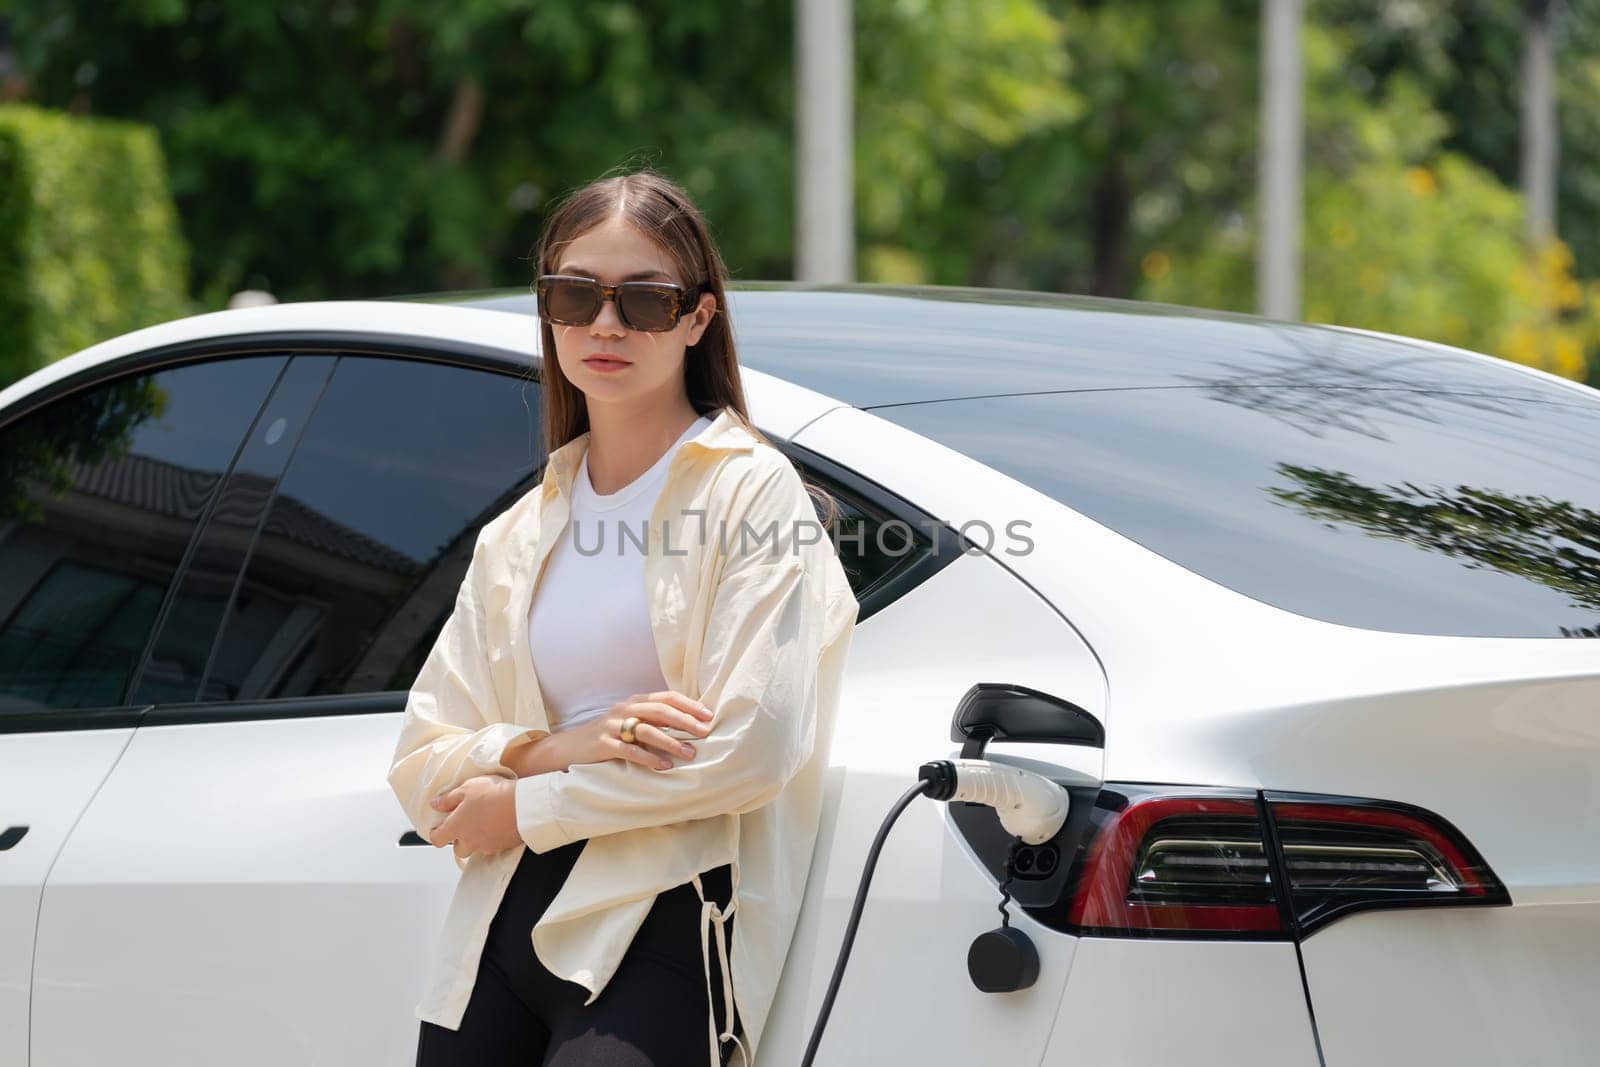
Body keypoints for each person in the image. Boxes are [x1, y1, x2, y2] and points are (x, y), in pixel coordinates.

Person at [388, 167, 860, 1067]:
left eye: (643, 300)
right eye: (575, 295)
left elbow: (750, 747)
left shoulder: (749, 492)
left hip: (665, 909)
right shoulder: (520, 531)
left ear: (697, 319)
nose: (604, 324)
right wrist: (568, 744)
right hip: (499, 915)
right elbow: (421, 763)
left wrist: (524, 806)